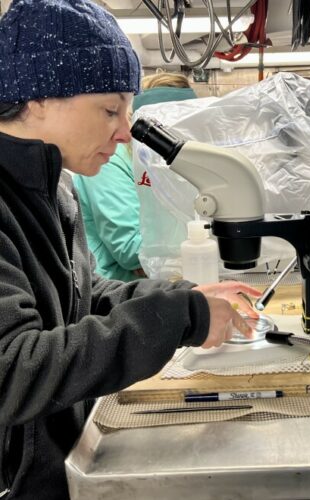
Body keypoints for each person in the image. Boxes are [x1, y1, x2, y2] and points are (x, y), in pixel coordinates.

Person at [0, 1, 260, 499]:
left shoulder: (54, 188)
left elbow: (83, 294)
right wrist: (174, 320)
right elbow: (13, 371)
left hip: (59, 467)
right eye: (109, 109)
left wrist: (182, 296)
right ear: (36, 99)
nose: (124, 132)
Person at [73, 72, 197, 281]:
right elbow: (131, 251)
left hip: (162, 286)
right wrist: (200, 242)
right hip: (116, 296)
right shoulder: (109, 161)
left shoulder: (177, 162)